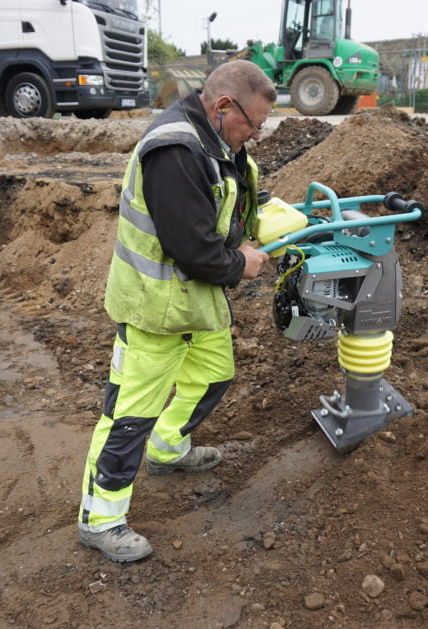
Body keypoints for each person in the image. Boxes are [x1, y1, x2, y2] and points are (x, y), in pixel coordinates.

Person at [76, 60, 276, 562]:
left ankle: (168, 451)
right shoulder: (176, 151)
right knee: (128, 416)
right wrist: (242, 264)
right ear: (224, 106)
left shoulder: (218, 141)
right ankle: (100, 520)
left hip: (192, 301)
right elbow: (194, 249)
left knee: (213, 374)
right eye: (254, 124)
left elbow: (229, 200)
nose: (256, 134)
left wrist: (277, 219)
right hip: (153, 307)